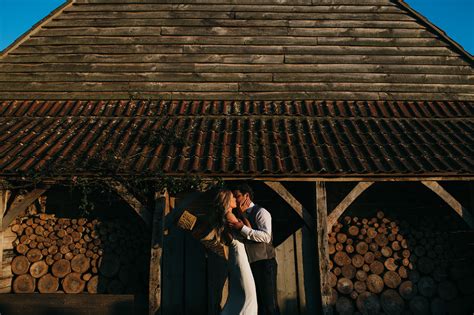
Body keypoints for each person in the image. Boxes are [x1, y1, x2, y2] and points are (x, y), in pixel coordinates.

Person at [229, 184, 280, 315]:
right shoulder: (239, 215)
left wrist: (242, 229)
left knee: (270, 305)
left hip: (265, 263)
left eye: (238, 196)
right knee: (259, 307)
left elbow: (266, 237)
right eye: (233, 196)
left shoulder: (261, 212)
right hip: (250, 265)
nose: (235, 199)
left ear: (247, 196)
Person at [212, 190, 258, 315]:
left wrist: (241, 216)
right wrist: (242, 216)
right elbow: (249, 232)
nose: (235, 200)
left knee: (239, 292)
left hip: (237, 252)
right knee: (249, 293)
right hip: (238, 252)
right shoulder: (229, 216)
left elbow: (247, 230)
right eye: (233, 197)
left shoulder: (230, 215)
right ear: (227, 200)